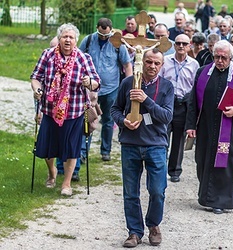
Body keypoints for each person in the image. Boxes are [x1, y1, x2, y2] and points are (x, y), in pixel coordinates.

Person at [110, 48, 174, 248]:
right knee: (130, 192)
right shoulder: (127, 83)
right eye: (149, 62)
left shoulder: (167, 87)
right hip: (130, 144)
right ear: (141, 62)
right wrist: (123, 122)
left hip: (155, 144)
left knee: (157, 190)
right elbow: (115, 109)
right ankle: (134, 232)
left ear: (161, 66)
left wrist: (146, 100)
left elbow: (166, 117)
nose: (152, 66)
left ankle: (154, 225)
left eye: (156, 63)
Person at [186, 40, 233, 214]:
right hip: (205, 127)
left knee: (224, 164)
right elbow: (193, 101)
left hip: (229, 129)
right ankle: (206, 198)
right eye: (216, 57)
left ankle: (221, 201)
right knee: (203, 161)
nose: (219, 61)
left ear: (231, 57)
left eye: (223, 57)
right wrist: (190, 125)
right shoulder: (203, 72)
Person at [30, 23, 100, 196]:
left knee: (71, 149)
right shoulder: (47, 55)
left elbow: (96, 82)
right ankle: (52, 172)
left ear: (76, 40)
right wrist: (37, 89)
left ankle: (66, 184)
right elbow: (35, 77)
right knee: (47, 147)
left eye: (71, 37)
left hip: (74, 112)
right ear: (59, 39)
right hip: (49, 110)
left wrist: (89, 83)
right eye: (64, 37)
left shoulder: (83, 58)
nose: (68, 40)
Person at [78, 18, 132, 162]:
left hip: (110, 88)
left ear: (111, 30)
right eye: (101, 34)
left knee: (108, 120)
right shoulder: (88, 40)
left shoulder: (118, 43)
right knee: (87, 119)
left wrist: (129, 85)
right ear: (97, 29)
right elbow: (77, 59)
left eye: (106, 35)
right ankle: (83, 151)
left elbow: (127, 65)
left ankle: (105, 150)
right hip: (90, 89)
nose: (103, 37)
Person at [159, 34, 200, 182]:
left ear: (189, 46)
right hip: (167, 104)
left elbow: (196, 87)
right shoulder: (166, 61)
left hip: (183, 105)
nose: (181, 46)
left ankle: (175, 170)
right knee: (162, 136)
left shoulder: (194, 65)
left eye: (184, 43)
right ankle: (159, 167)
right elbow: (160, 81)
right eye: (178, 43)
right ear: (174, 45)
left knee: (179, 140)